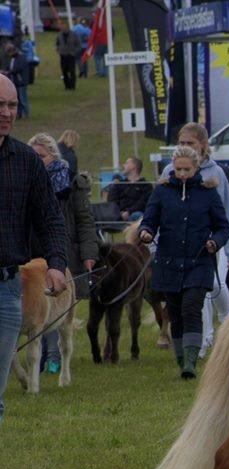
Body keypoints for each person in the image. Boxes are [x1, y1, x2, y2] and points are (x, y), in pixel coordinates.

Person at [0, 75, 69, 425]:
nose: (7, 112)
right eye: (0, 104)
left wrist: (57, 262)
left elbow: (51, 218)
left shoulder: (26, 161)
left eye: (12, 104)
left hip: (7, 289)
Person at [139, 145, 229, 379]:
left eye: (186, 170)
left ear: (195, 168)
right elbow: (149, 220)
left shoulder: (208, 193)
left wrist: (215, 242)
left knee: (192, 307)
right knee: (176, 313)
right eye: (178, 169)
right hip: (168, 263)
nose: (181, 174)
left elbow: (223, 227)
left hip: (199, 262)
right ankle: (181, 358)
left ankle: (190, 361)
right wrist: (146, 231)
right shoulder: (161, 192)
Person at [167, 123, 229, 358]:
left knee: (216, 286)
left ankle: (226, 319)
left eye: (189, 143)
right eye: (181, 142)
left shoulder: (216, 172)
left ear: (203, 144)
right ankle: (204, 339)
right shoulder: (169, 171)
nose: (185, 147)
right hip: (181, 245)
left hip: (213, 242)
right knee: (195, 291)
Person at [28, 133, 98, 373]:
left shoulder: (71, 183)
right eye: (33, 155)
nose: (37, 160)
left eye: (41, 156)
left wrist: (89, 252)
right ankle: (41, 357)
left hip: (62, 251)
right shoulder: (26, 181)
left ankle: (54, 356)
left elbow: (84, 221)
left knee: (58, 304)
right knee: (38, 306)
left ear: (52, 156)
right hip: (32, 253)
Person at [107, 156, 153, 221]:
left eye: (126, 163)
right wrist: (120, 212)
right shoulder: (119, 185)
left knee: (138, 215)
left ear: (133, 166)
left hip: (136, 215)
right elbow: (111, 201)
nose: (123, 165)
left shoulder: (146, 185)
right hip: (118, 215)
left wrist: (129, 212)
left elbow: (143, 203)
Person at [2, 43, 29, 119]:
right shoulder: (13, 58)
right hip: (16, 82)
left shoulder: (21, 57)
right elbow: (11, 67)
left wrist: (9, 72)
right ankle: (20, 114)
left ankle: (25, 113)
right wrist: (5, 71)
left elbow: (18, 68)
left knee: (23, 99)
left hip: (21, 81)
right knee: (19, 99)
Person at [55, 24, 81, 91]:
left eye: (65, 28)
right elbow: (57, 43)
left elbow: (78, 44)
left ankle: (72, 86)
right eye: (63, 28)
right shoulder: (59, 35)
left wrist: (74, 52)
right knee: (64, 71)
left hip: (71, 55)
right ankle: (67, 86)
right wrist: (58, 50)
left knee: (72, 71)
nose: (64, 29)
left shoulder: (74, 35)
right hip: (63, 56)